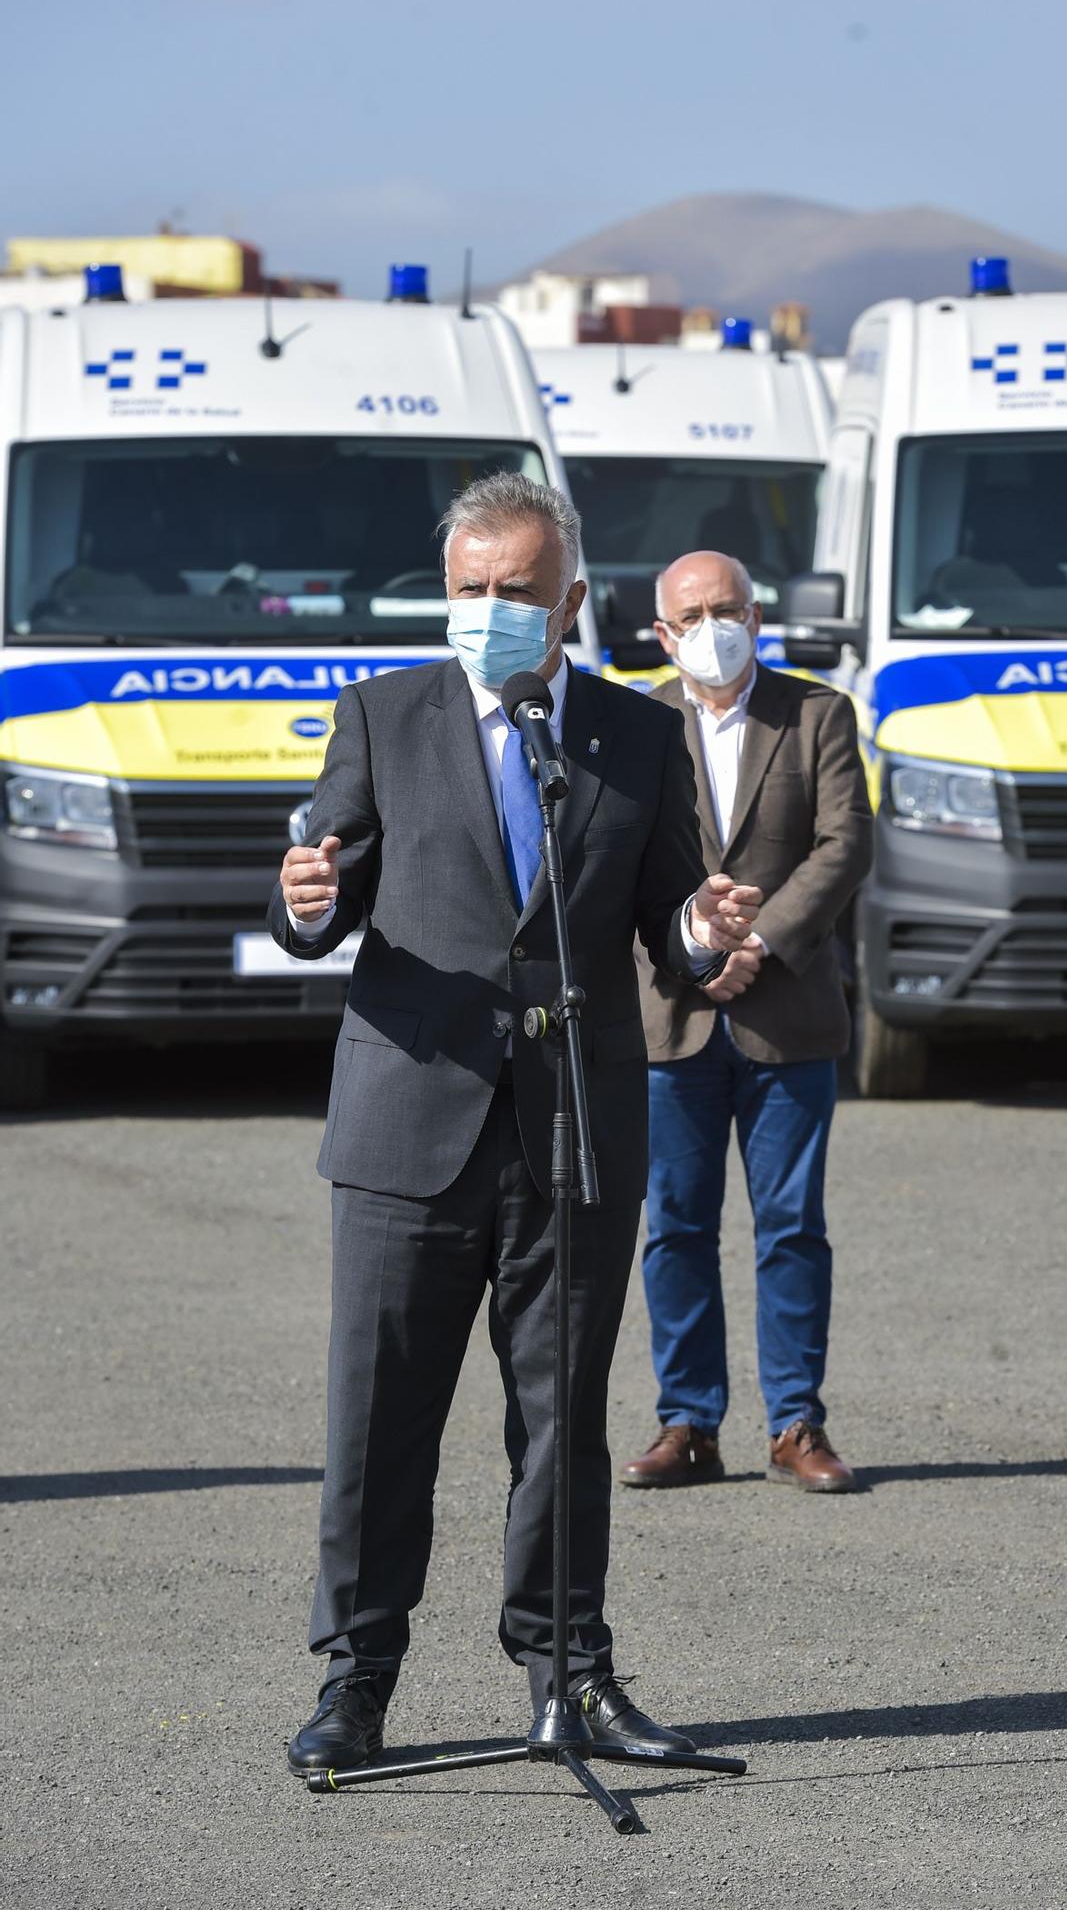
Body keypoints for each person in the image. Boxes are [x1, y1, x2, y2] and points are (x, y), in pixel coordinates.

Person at [272, 476, 762, 1776]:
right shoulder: (382, 716)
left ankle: (569, 1671)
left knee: (559, 1418)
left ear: (572, 603)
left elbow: (664, 921)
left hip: (571, 1128)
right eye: (468, 592)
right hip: (405, 1120)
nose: (489, 614)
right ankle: (356, 1680)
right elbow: (326, 896)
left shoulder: (628, 739)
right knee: (380, 1419)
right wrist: (306, 901)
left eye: (516, 595)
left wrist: (702, 934)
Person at [621, 551, 872, 1495]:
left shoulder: (817, 713)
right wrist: (694, 946)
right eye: (690, 614)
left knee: (790, 1228)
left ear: (757, 618)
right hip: (669, 1016)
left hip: (787, 1015)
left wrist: (756, 944)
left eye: (726, 610)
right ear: (662, 632)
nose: (710, 627)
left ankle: (796, 1424)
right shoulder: (632, 719)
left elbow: (845, 843)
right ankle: (687, 1423)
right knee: (674, 1228)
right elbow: (613, 857)